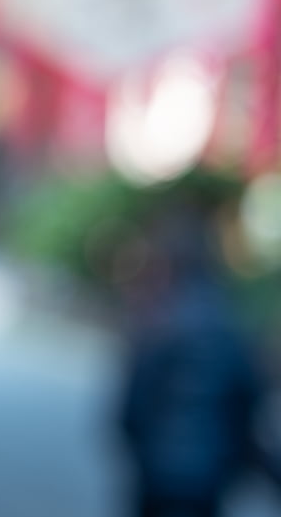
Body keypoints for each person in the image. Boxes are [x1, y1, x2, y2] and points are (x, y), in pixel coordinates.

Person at [117, 205, 276, 517]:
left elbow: (131, 408)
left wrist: (143, 455)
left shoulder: (158, 323)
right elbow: (250, 400)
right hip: (208, 475)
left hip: (157, 473)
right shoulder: (232, 326)